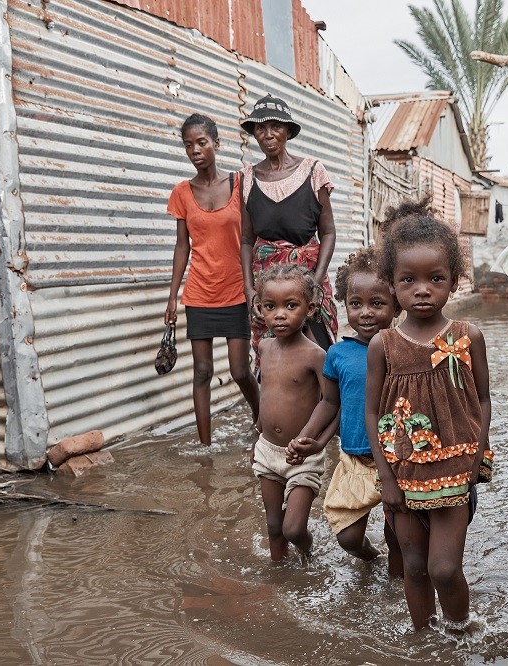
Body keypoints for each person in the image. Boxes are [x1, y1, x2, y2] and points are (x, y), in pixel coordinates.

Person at [364, 199, 494, 631]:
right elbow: (370, 409)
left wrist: (477, 456)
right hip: (401, 473)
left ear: (453, 282)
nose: (422, 289)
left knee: (443, 569)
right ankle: (424, 640)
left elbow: (484, 400)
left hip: (456, 471)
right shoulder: (383, 345)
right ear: (391, 284)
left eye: (435, 278)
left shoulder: (467, 336)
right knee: (414, 568)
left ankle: (460, 634)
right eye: (409, 280)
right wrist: (385, 477)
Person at [287, 248, 403, 577]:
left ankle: (398, 592)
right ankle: (373, 561)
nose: (365, 313)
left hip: (396, 460)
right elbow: (329, 403)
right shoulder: (337, 354)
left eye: (377, 303)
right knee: (348, 537)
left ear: (396, 304)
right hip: (353, 457)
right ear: (344, 304)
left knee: (399, 536)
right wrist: (308, 437)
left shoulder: (403, 350)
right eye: (356, 304)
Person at [165, 114, 260, 446]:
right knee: (202, 372)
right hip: (199, 294)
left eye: (202, 142)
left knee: (239, 371)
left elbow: (251, 237)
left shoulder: (239, 184)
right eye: (188, 145)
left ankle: (262, 425)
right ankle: (205, 446)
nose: (195, 150)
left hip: (236, 292)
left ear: (216, 144)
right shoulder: (182, 193)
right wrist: (172, 297)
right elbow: (182, 246)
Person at [238, 94, 339, 363]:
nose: (268, 134)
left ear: (288, 131)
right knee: (274, 357)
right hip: (267, 285)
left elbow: (328, 232)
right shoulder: (247, 177)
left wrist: (315, 282)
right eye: (260, 128)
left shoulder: (312, 171)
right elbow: (247, 239)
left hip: (307, 277)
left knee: (320, 352)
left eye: (276, 126)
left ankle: (327, 405)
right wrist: (250, 290)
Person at [251, 263, 329, 562]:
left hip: (303, 456)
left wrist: (311, 440)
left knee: (294, 529)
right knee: (274, 526)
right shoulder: (265, 348)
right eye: (270, 306)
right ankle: (279, 574)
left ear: (309, 309)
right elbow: (266, 395)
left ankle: (309, 557)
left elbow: (330, 403)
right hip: (268, 450)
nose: (279, 314)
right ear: (259, 309)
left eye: (290, 305)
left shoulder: (316, 355)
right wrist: (256, 438)